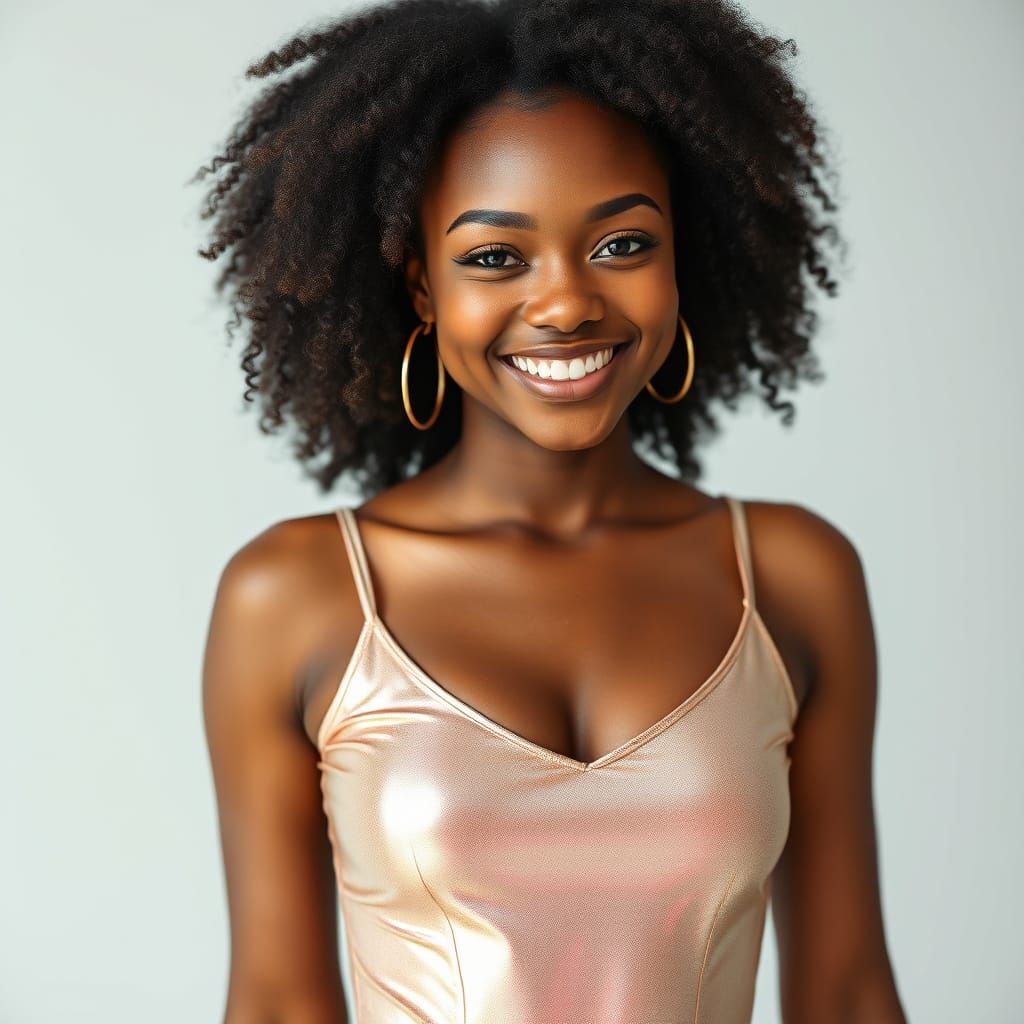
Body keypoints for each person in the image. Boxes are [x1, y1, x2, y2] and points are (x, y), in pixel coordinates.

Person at [196, 0, 906, 1020]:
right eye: (496, 257)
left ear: (682, 256)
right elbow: (275, 1003)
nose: (568, 303)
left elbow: (846, 993)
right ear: (422, 286)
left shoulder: (793, 577)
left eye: (622, 243)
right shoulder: (295, 598)